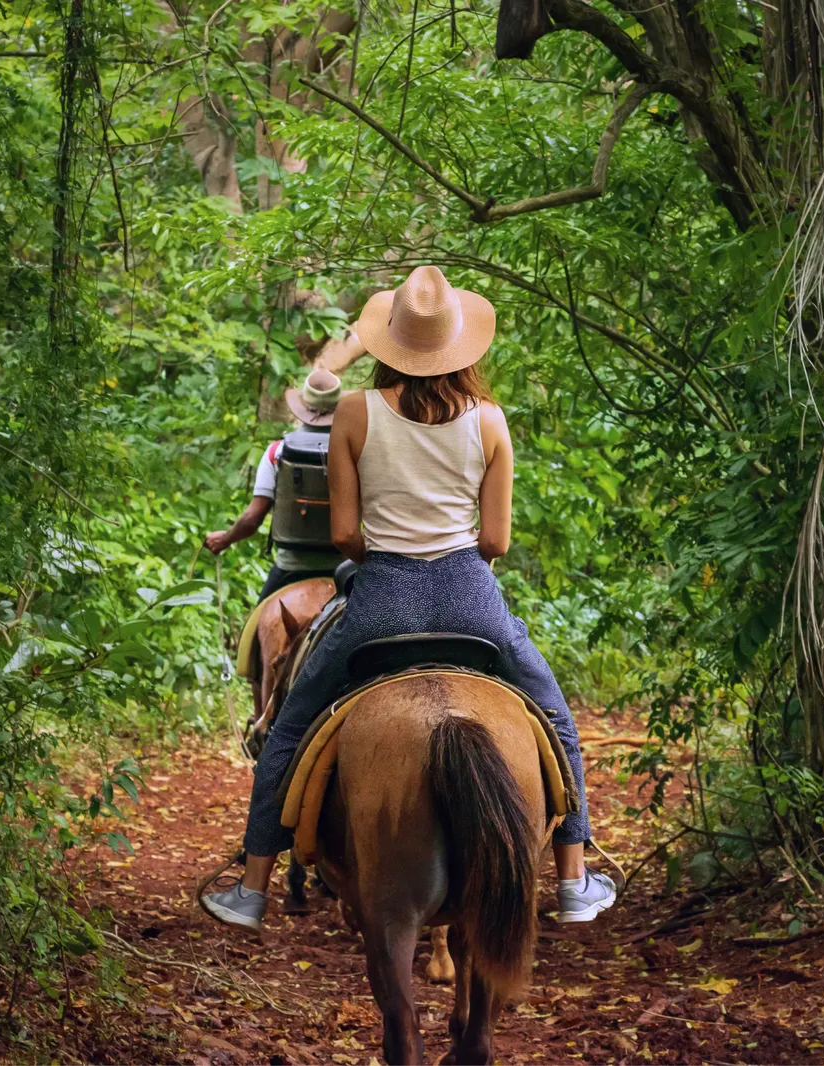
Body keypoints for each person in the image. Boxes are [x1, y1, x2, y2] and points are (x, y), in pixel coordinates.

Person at [201, 265, 615, 930]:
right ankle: (573, 881)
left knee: (286, 726)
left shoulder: (357, 413)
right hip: (469, 598)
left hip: (380, 601)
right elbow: (497, 541)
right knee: (555, 717)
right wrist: (450, 558)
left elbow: (342, 534)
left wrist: (387, 558)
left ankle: (251, 887)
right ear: (460, 345)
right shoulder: (491, 420)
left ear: (391, 344)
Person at [205, 368, 347, 600]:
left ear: (303, 406)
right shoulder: (356, 452)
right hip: (341, 570)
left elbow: (253, 518)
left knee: (252, 634)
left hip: (291, 569)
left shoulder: (277, 452)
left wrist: (225, 538)